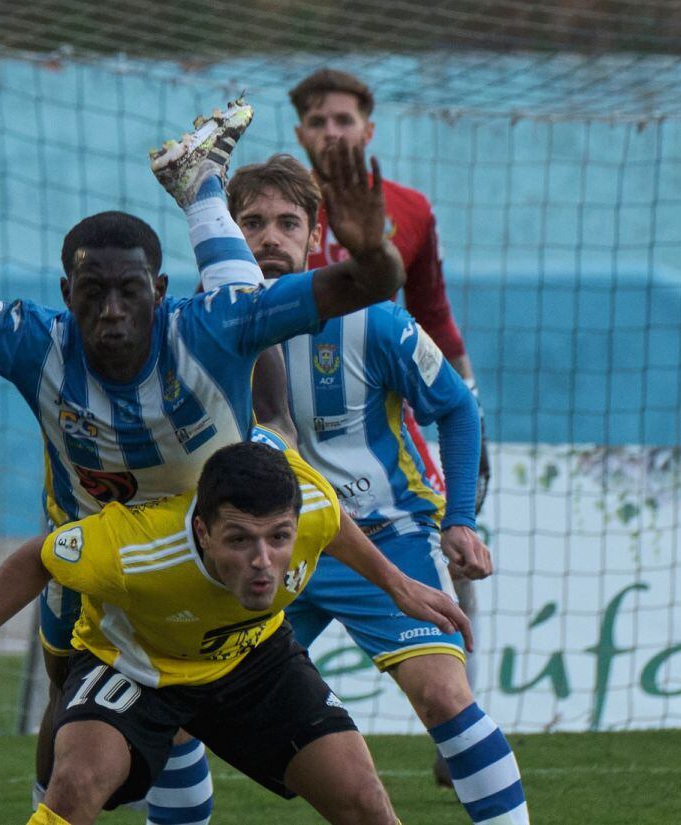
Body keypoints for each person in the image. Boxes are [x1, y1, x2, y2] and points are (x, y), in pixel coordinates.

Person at [0, 99, 403, 825]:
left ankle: (202, 185)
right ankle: (200, 180)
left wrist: (372, 248)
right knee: (64, 768)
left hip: (216, 568)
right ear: (65, 292)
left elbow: (364, 285)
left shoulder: (210, 327)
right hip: (96, 566)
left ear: (159, 293)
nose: (110, 310)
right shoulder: (31, 341)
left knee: (250, 325)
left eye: (129, 290)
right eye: (92, 292)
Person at [0, 440, 472, 825]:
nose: (263, 562)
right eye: (240, 541)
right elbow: (34, 560)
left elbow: (330, 522)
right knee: (76, 786)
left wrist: (398, 585)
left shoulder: (312, 510)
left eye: (278, 538)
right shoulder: (136, 548)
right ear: (203, 531)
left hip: (253, 658)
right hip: (134, 665)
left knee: (364, 801)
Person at [223, 152, 529, 824]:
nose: (268, 236)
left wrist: (460, 518)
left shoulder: (373, 321)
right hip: (267, 555)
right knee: (178, 709)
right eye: (251, 222)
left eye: (286, 222)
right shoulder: (202, 327)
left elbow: (458, 406)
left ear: (313, 235)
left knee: (445, 698)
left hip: (384, 537)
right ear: (226, 231)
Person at [289, 68, 493, 787]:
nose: (332, 132)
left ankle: (460, 718)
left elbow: (431, 311)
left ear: (368, 129)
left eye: (345, 120)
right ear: (300, 133)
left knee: (447, 595)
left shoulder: (407, 209)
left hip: (379, 465)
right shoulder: (265, 218)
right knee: (191, 692)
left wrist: (467, 399)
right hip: (280, 501)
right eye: (318, 121)